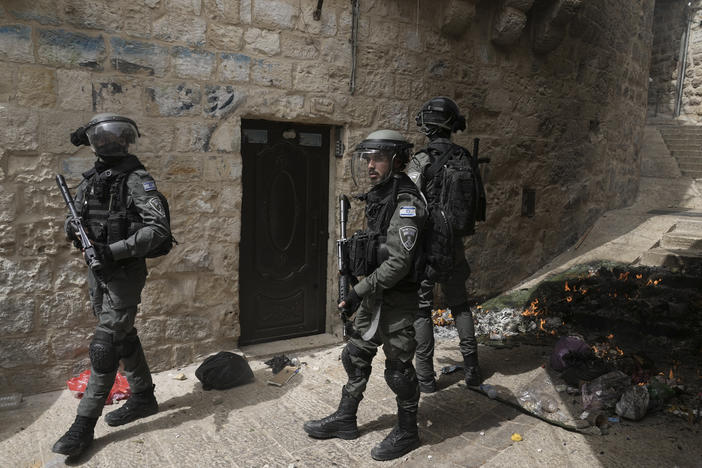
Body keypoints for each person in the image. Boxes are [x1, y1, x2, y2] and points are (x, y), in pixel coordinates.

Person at [303, 130, 428, 461]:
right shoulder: (381, 196)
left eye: (379, 159)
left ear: (397, 162)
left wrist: (358, 290)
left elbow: (399, 264)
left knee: (399, 369)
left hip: (398, 299)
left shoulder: (407, 205)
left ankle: (408, 430)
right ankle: (346, 418)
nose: (371, 166)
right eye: (368, 159)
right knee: (355, 354)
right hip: (375, 293)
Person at [52, 113, 172, 458]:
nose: (108, 143)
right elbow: (76, 216)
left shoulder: (137, 179)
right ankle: (143, 397)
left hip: (123, 274)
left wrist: (113, 250)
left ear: (126, 141)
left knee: (104, 346)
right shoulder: (92, 180)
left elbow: (158, 230)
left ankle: (83, 425)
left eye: (115, 137)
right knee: (123, 335)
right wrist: (73, 229)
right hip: (97, 272)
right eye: (101, 138)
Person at [407, 97, 483, 393]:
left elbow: (408, 204)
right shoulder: (465, 158)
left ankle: (425, 378)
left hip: (426, 248)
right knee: (460, 305)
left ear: (429, 126)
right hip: (454, 245)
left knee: (422, 310)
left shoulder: (421, 160)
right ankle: (473, 370)